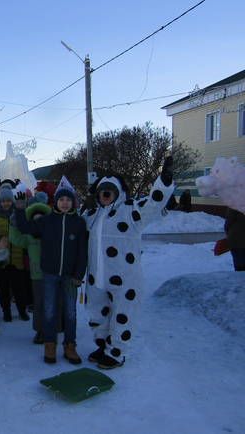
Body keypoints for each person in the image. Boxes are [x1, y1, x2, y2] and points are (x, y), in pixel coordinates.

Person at [81, 156, 175, 369]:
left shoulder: (130, 210)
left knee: (122, 316)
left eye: (109, 192)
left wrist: (164, 181)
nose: (105, 195)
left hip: (125, 279)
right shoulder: (90, 215)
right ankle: (103, 344)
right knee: (97, 314)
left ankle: (116, 352)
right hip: (96, 277)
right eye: (102, 192)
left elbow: (153, 204)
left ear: (117, 193)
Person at [15, 185, 88, 364]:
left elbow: (82, 251)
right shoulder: (47, 221)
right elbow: (25, 228)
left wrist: (79, 274)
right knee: (49, 311)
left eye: (68, 200)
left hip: (70, 276)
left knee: (70, 313)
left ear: (73, 203)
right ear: (56, 202)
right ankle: (50, 345)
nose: (64, 203)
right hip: (49, 274)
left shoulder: (79, 223)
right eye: (61, 200)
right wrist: (19, 209)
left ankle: (70, 346)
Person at [9, 199, 52, 344]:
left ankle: (53, 329)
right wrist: (14, 225)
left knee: (52, 303)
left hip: (53, 272)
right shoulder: (29, 236)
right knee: (39, 303)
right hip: (37, 274)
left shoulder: (52, 233)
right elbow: (16, 240)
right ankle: (40, 331)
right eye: (35, 219)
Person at [0, 185, 29, 322]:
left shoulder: (18, 214)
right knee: (3, 288)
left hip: (17, 257)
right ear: (0, 202)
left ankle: (22, 310)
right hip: (2, 259)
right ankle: (6, 311)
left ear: (12, 201)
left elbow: (24, 230)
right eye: (3, 201)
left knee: (20, 287)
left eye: (8, 201)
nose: (6, 203)